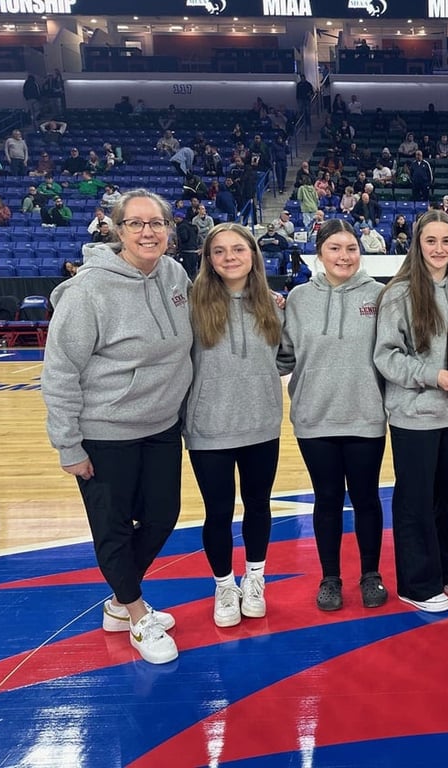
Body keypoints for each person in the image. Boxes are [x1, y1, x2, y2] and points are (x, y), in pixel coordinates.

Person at [41, 190, 191, 664]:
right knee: (113, 529)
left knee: (163, 516)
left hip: (162, 425)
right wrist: (68, 444)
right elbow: (60, 370)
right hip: (106, 432)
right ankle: (136, 612)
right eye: (136, 224)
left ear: (169, 228)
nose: (148, 232)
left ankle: (118, 603)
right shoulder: (89, 291)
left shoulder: (174, 273)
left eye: (156, 223)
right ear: (117, 229)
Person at [278, 219, 388, 611]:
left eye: (351, 248)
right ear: (319, 253)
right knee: (326, 500)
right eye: (335, 248)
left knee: (366, 498)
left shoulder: (380, 296)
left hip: (365, 415)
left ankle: (371, 573)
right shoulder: (299, 299)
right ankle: (330, 577)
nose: (345, 256)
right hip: (314, 418)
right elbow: (284, 356)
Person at [374, 210, 448, 613]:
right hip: (413, 413)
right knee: (416, 499)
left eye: (446, 241)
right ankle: (417, 583)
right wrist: (432, 375)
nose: (439, 248)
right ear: (416, 244)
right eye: (430, 241)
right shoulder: (398, 293)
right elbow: (387, 356)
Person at [185, 223, 283, 628]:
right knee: (218, 511)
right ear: (208, 259)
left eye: (238, 249)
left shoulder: (274, 305)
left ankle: (255, 578)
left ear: (253, 255)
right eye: (219, 251)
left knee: (259, 506)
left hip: (262, 424)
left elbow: (286, 358)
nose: (229, 257)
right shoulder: (189, 305)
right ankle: (224, 585)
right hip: (209, 428)